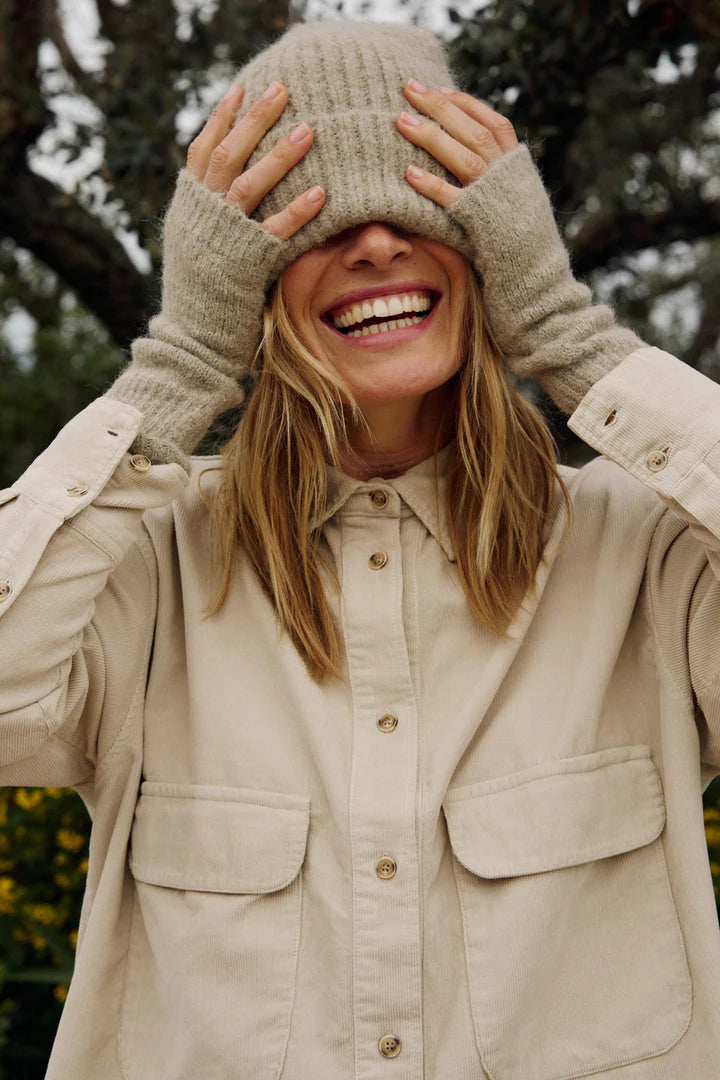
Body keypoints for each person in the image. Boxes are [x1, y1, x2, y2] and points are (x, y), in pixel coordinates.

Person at [0, 16, 718, 1080]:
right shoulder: (146, 564)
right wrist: (182, 362)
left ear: (490, 253)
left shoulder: (643, 554)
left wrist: (572, 335)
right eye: (310, 224)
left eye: (420, 209)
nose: (375, 245)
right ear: (246, 283)